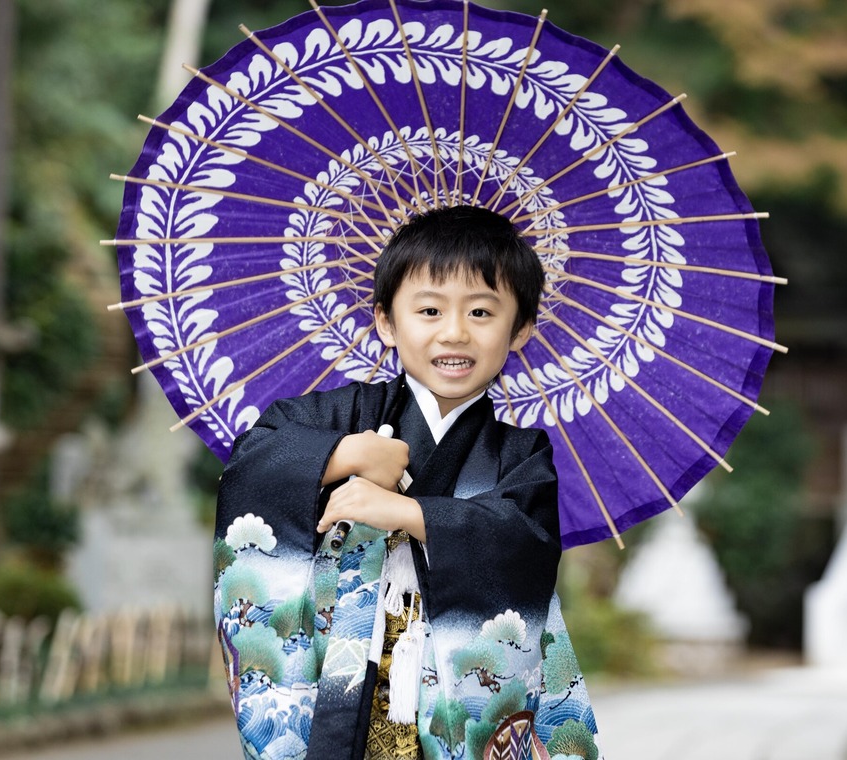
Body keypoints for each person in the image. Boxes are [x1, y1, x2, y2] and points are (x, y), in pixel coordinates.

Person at [214, 206, 601, 760]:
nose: (454, 332)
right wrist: (345, 454)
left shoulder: (520, 453)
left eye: (481, 312)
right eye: (429, 310)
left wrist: (409, 513)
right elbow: (252, 461)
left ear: (520, 330)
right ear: (386, 322)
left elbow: (523, 540)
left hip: (450, 705)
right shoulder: (340, 416)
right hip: (339, 677)